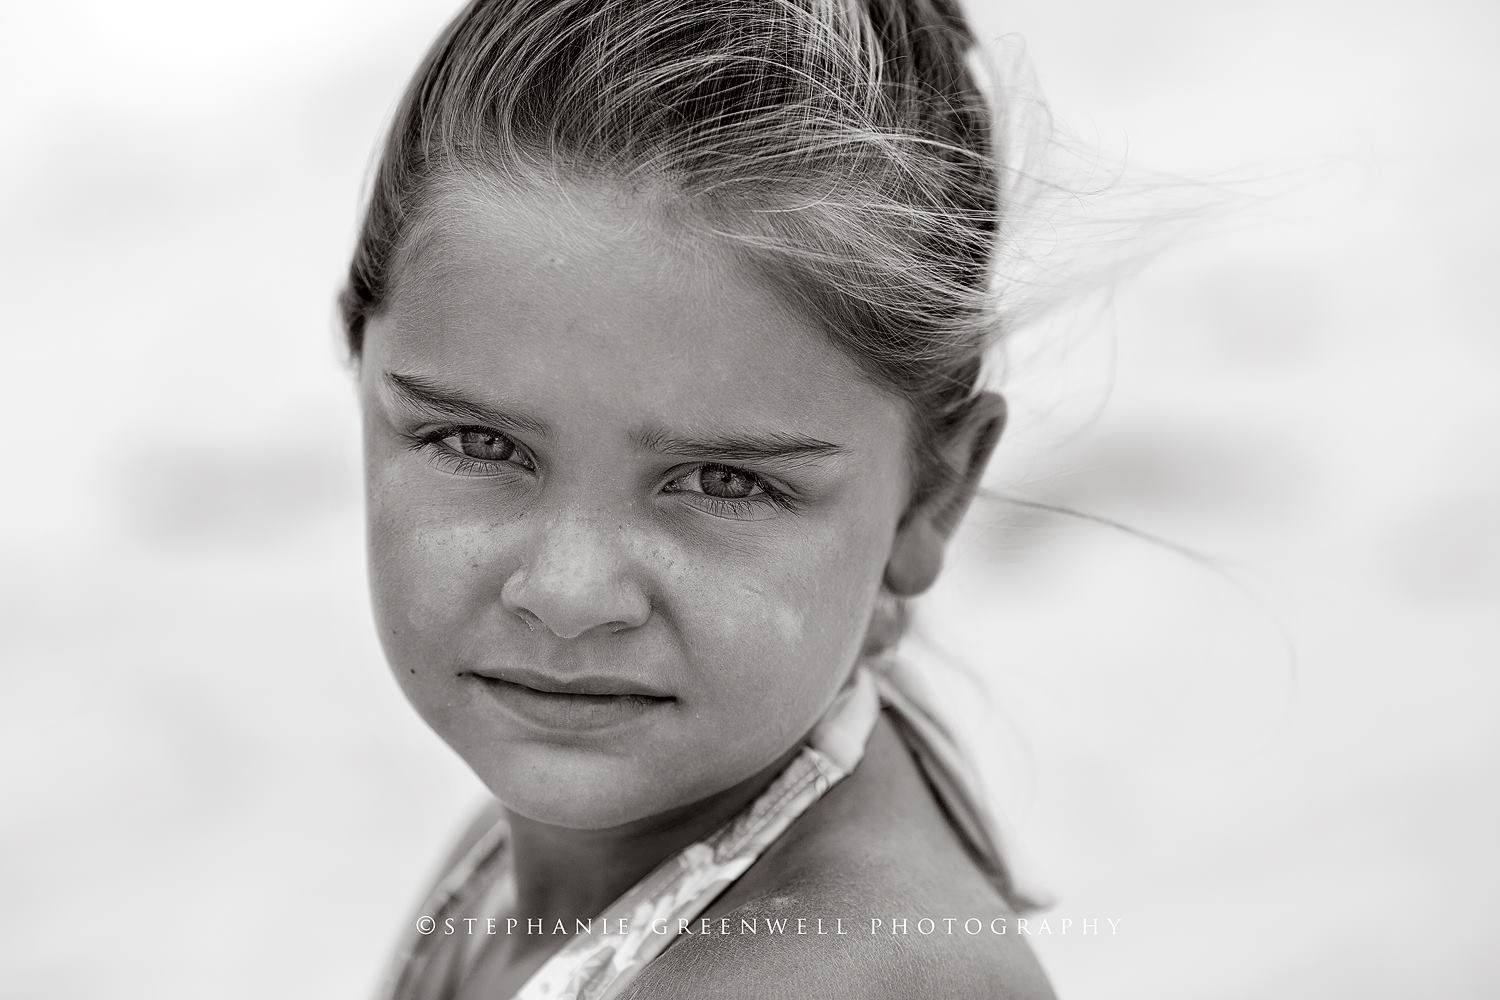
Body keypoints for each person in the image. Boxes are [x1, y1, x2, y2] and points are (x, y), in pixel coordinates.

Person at [339, 0, 1060, 995]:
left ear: (929, 499)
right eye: (476, 441)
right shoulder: (563, 841)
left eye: (724, 480)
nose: (568, 592)